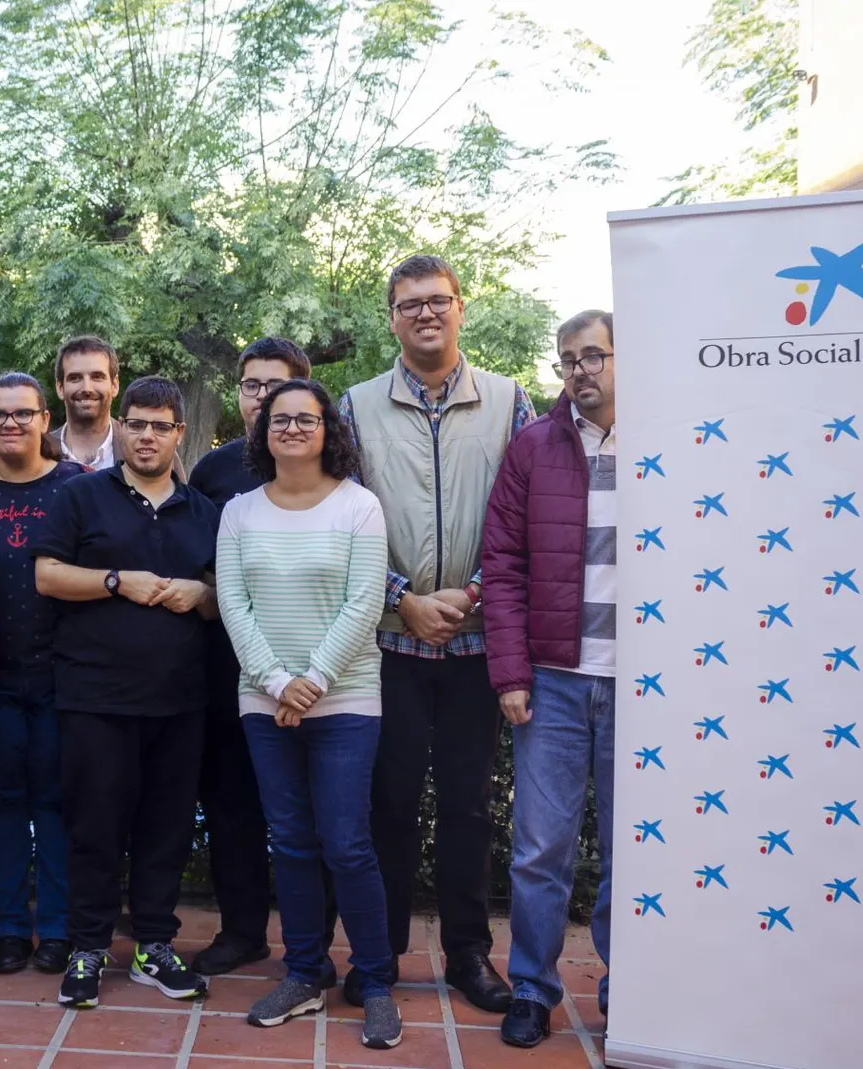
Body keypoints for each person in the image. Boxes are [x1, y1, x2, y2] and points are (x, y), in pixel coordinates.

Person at [336, 254, 533, 1013]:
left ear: (461, 307)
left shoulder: (512, 402)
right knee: (385, 804)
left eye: (438, 301)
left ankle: (468, 955)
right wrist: (403, 598)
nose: (425, 313)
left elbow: (523, 513)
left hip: (478, 643)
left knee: (468, 805)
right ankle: (377, 958)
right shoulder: (354, 406)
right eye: (409, 303)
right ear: (390, 317)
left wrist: (477, 591)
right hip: (387, 642)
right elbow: (339, 518)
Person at [216, 379, 400, 1050]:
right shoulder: (239, 511)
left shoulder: (359, 507)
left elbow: (364, 601)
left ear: (329, 430)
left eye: (307, 418)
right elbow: (233, 603)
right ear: (263, 432)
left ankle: (375, 980)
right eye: (280, 419)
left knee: (347, 842)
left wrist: (312, 680)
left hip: (345, 696)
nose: (293, 428)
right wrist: (275, 680)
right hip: (264, 699)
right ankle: (303, 972)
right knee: (290, 839)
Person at [34, 376, 220, 1010]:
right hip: (95, 696)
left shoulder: (202, 511)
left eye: (160, 426)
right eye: (136, 424)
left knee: (165, 829)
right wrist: (117, 580)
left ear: (178, 433)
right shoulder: (82, 496)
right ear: (121, 428)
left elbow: (232, 593)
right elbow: (48, 575)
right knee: (94, 827)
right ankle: (87, 948)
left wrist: (206, 596)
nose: (146, 436)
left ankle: (153, 947)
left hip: (180, 700)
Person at [481, 310, 618, 1048]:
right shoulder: (534, 446)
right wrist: (511, 671)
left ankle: (631, 988)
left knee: (635, 848)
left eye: (593, 354)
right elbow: (500, 564)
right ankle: (533, 988)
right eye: (568, 359)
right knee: (540, 849)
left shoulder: (675, 442)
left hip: (645, 689)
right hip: (556, 680)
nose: (579, 370)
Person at [0, 373, 87, 976]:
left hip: (65, 673)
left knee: (57, 803)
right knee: (1, 802)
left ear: (44, 418)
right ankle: (6, 927)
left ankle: (56, 927)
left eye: (23, 413)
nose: (11, 424)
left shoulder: (78, 487)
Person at [185, 337, 311, 978]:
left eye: (275, 386)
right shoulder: (214, 471)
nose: (261, 398)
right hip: (228, 668)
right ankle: (242, 932)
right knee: (233, 803)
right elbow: (202, 570)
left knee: (308, 811)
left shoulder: (330, 466)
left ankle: (313, 943)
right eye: (251, 386)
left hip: (314, 670)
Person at [48, 335, 120, 468]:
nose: (87, 388)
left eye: (97, 377)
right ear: (59, 387)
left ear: (114, 385)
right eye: (75, 378)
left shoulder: (140, 448)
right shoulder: (38, 451)